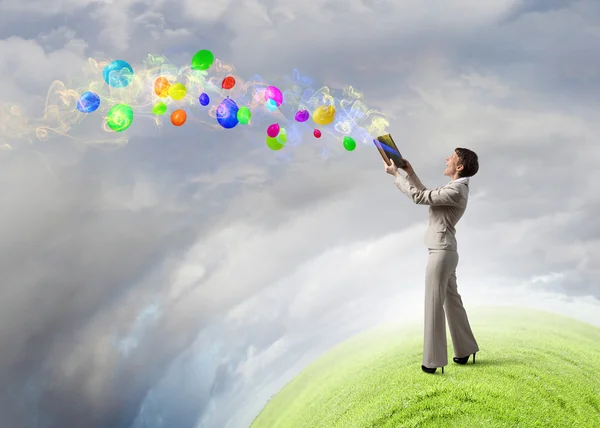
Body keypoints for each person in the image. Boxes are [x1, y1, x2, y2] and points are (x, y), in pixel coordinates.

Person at [384, 148, 480, 375]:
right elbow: (426, 193)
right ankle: (465, 349)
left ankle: (433, 361)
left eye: (452, 157)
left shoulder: (457, 190)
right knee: (452, 302)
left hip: (441, 251)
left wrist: (396, 176)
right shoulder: (456, 188)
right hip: (446, 250)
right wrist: (410, 172)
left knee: (434, 304)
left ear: (459, 167)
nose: (447, 158)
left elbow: (419, 197)